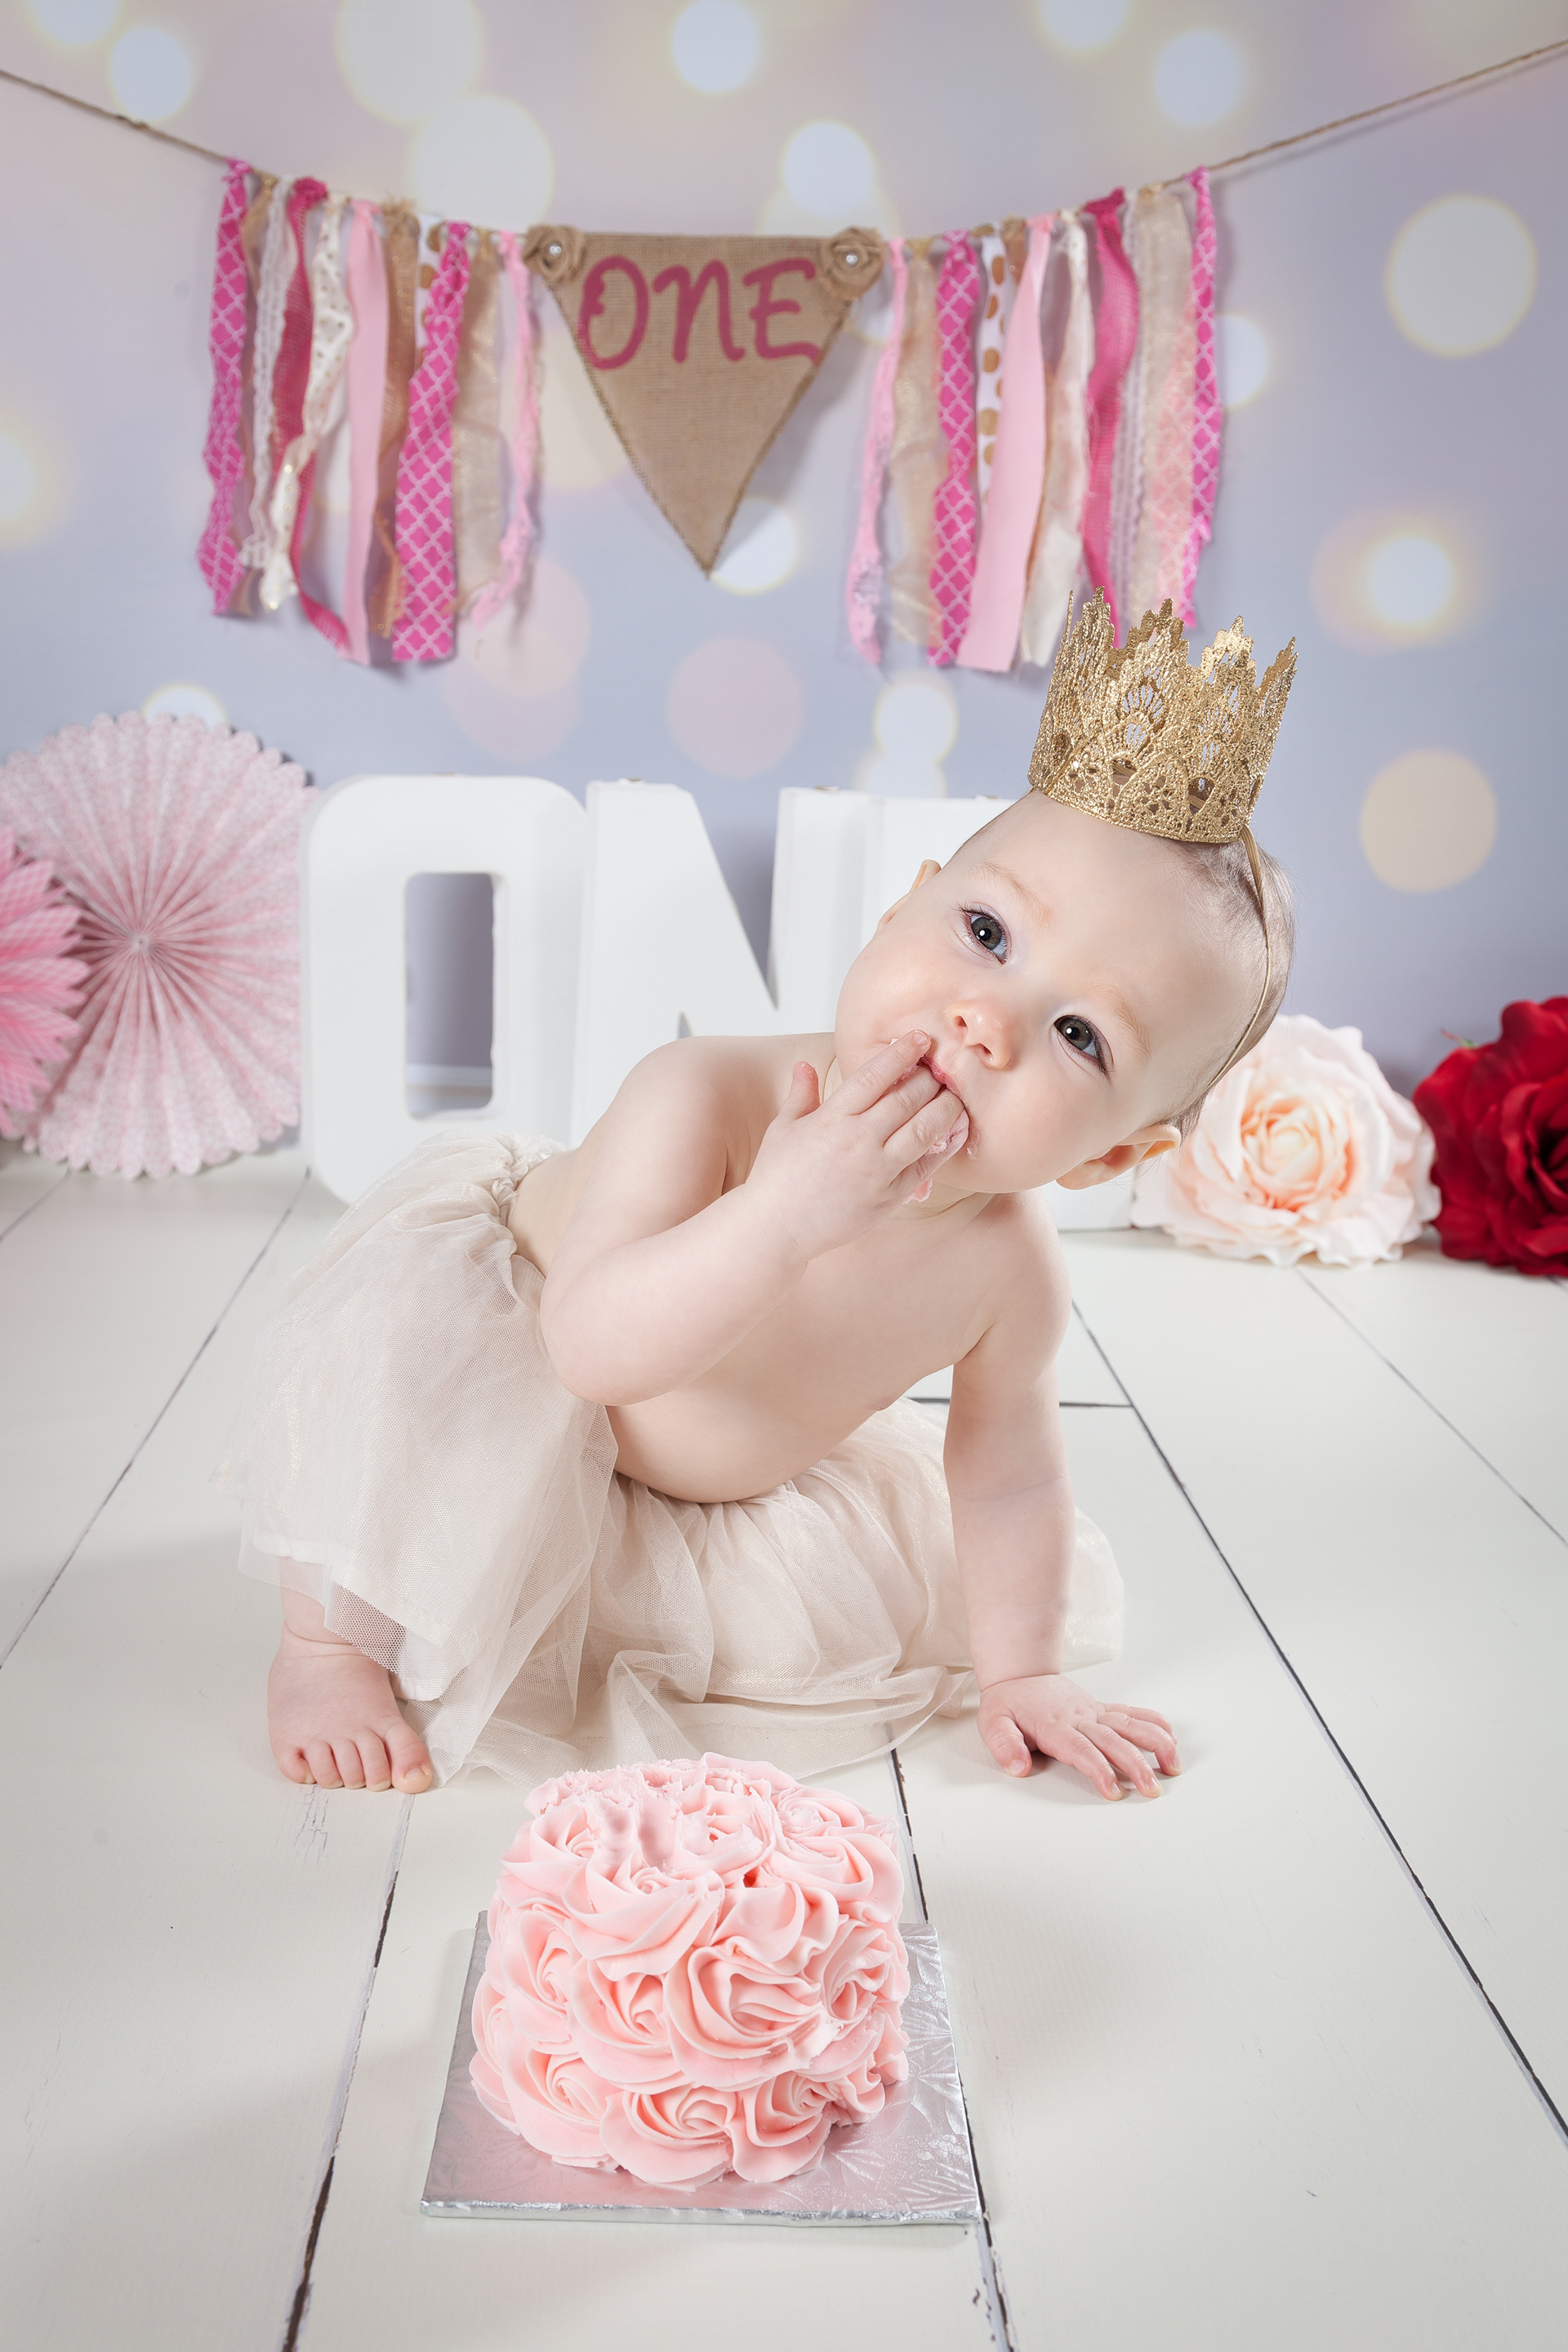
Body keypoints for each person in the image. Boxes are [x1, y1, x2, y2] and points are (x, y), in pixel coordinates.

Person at [221, 595, 1296, 1802]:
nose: (984, 1020)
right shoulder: (705, 1096)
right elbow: (587, 1351)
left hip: (690, 1490)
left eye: (1081, 1034)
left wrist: (1023, 1671)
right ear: (899, 909)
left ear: (1107, 1158)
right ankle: (328, 1648)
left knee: (779, 1639)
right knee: (405, 1369)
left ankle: (602, 1594)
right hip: (516, 1361)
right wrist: (783, 1218)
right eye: (986, 932)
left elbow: (1009, 1475)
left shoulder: (1010, 1270)